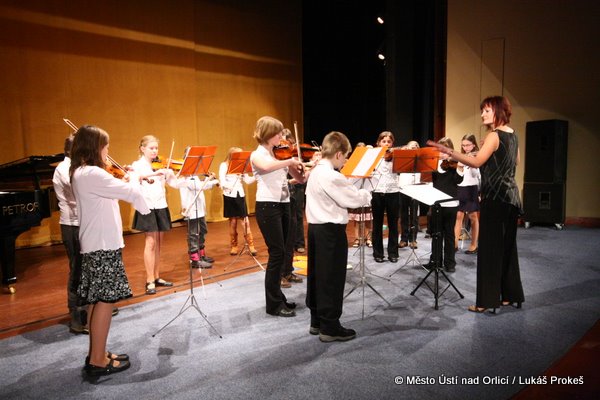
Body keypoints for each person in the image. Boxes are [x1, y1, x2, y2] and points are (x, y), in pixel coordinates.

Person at [427, 95, 524, 313]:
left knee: (489, 251)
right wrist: (490, 153)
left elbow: (477, 162)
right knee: (508, 249)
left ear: (498, 111)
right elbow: (515, 161)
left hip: (495, 198)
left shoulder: (494, 135)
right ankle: (510, 295)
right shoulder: (513, 134)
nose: (482, 114)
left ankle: (486, 301)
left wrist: (450, 152)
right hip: (512, 198)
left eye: (486, 110)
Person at [70, 125, 150, 376]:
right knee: (105, 301)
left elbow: (111, 191)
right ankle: (97, 360)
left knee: (97, 300)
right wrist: (134, 176)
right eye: (105, 146)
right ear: (95, 147)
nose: (107, 151)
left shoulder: (83, 172)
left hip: (97, 243)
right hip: (102, 245)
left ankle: (98, 353)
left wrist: (123, 180)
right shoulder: (93, 173)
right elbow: (131, 192)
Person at [305, 131, 372, 342]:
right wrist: (367, 192)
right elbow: (353, 199)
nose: (345, 161)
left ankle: (317, 321)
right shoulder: (332, 175)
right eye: (346, 156)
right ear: (338, 154)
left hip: (315, 229)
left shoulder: (316, 171)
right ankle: (330, 327)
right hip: (330, 232)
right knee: (331, 278)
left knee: (317, 276)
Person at [250, 116, 305, 317]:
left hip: (284, 204)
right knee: (276, 253)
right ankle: (273, 304)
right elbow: (265, 168)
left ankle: (279, 298)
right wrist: (289, 161)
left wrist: (304, 168)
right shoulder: (257, 155)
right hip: (267, 206)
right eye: (278, 133)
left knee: (283, 252)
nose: (281, 136)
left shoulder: (279, 155)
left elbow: (300, 179)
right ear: (268, 134)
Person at [131, 135, 178, 295]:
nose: (154, 151)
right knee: (150, 243)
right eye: (151, 148)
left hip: (161, 205)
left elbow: (175, 184)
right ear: (142, 149)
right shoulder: (137, 165)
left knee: (158, 243)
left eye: (156, 148)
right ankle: (149, 279)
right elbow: (134, 181)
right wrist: (154, 175)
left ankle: (157, 276)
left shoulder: (161, 166)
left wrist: (174, 175)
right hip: (147, 206)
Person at [52, 134, 88, 334]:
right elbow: (80, 190)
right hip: (72, 225)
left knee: (86, 268)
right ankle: (76, 316)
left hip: (83, 223)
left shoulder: (79, 168)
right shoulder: (64, 168)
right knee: (76, 271)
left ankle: (89, 308)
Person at [426, 138, 463, 273]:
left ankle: (450, 263)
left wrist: (460, 168)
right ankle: (435, 261)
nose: (442, 153)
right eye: (439, 150)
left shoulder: (454, 165)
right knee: (436, 234)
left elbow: (458, 181)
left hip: (451, 204)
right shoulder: (434, 164)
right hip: (437, 204)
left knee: (449, 234)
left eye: (444, 151)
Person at [179, 159, 219, 268]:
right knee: (193, 233)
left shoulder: (195, 174)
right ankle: (195, 259)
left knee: (203, 230)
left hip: (200, 208)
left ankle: (201, 254)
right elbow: (197, 186)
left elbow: (200, 185)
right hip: (191, 208)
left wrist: (209, 179)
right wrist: (211, 180)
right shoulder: (185, 175)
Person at [219, 147, 257, 256]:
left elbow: (248, 181)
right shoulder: (224, 165)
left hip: (240, 195)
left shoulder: (241, 166)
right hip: (229, 195)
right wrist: (232, 184)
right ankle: (234, 246)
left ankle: (251, 245)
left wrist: (257, 175)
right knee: (233, 222)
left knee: (245, 221)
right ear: (232, 155)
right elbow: (222, 182)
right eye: (239, 155)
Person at [370, 131, 400, 263]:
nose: (386, 144)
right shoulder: (374, 156)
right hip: (377, 191)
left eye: (389, 141)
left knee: (393, 224)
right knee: (377, 224)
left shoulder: (396, 156)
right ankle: (378, 253)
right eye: (383, 141)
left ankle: (393, 253)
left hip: (393, 191)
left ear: (392, 143)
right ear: (378, 143)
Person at [454, 134, 481, 254]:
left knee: (473, 217)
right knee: (458, 216)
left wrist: (471, 162)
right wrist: (460, 165)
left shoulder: (478, 157)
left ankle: (474, 244)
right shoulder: (461, 156)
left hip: (471, 188)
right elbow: (458, 174)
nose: (465, 148)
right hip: (460, 188)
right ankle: (454, 243)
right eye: (463, 145)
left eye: (468, 145)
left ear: (473, 145)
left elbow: (476, 175)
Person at [348, 143, 373, 248]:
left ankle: (369, 238)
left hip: (367, 191)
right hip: (356, 191)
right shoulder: (352, 162)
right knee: (357, 219)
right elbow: (349, 177)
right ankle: (357, 238)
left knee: (368, 218)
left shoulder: (370, 162)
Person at [398, 140, 421, 249]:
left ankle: (413, 239)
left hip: (415, 189)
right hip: (404, 188)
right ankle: (404, 238)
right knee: (403, 215)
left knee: (414, 216)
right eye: (412, 145)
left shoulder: (420, 160)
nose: (414, 147)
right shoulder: (403, 159)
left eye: (416, 145)